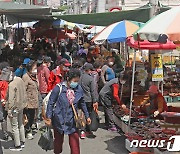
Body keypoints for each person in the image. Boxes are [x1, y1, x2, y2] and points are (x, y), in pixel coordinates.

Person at [46, 69, 91, 154]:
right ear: (68, 79)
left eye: (78, 81)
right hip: (59, 120)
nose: (76, 83)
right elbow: (51, 103)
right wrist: (48, 117)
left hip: (73, 121)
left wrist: (87, 116)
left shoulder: (79, 89)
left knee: (75, 145)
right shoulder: (58, 88)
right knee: (58, 144)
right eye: (75, 81)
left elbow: (82, 103)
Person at [6, 71, 27, 151]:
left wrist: (9, 111)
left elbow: (11, 100)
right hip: (21, 105)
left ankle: (17, 145)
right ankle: (22, 141)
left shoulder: (11, 85)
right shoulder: (19, 79)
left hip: (14, 108)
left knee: (14, 126)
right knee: (20, 124)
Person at [79, 63, 98, 139]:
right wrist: (95, 101)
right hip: (88, 100)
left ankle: (82, 131)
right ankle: (88, 129)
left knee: (81, 115)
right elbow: (93, 91)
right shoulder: (90, 79)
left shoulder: (79, 77)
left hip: (80, 99)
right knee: (88, 115)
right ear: (89, 70)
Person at [22, 60, 39, 140]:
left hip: (34, 101)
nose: (36, 70)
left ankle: (29, 129)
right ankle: (28, 131)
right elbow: (23, 90)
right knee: (27, 117)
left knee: (32, 117)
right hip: (28, 101)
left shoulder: (35, 76)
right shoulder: (25, 77)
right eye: (34, 68)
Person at [0, 67, 10, 140]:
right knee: (4, 117)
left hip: (2, 100)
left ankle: (5, 133)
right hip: (6, 101)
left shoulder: (2, 82)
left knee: (3, 117)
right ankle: (5, 133)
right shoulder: (9, 82)